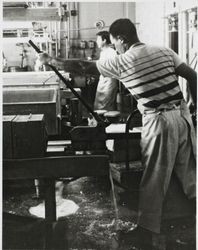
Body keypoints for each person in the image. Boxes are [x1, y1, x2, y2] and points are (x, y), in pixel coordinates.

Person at [38, 18, 196, 243]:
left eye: (115, 44)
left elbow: (84, 67)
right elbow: (193, 76)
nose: (115, 48)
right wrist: (194, 107)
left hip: (160, 121)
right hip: (182, 117)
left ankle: (146, 232)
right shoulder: (164, 50)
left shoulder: (124, 61)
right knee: (191, 173)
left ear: (122, 39)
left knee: (153, 177)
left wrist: (50, 59)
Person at [94, 31, 118, 111]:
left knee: (106, 107)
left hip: (109, 83)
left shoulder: (112, 52)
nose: (97, 41)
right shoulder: (103, 53)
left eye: (98, 39)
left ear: (104, 40)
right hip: (102, 82)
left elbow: (113, 69)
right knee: (98, 106)